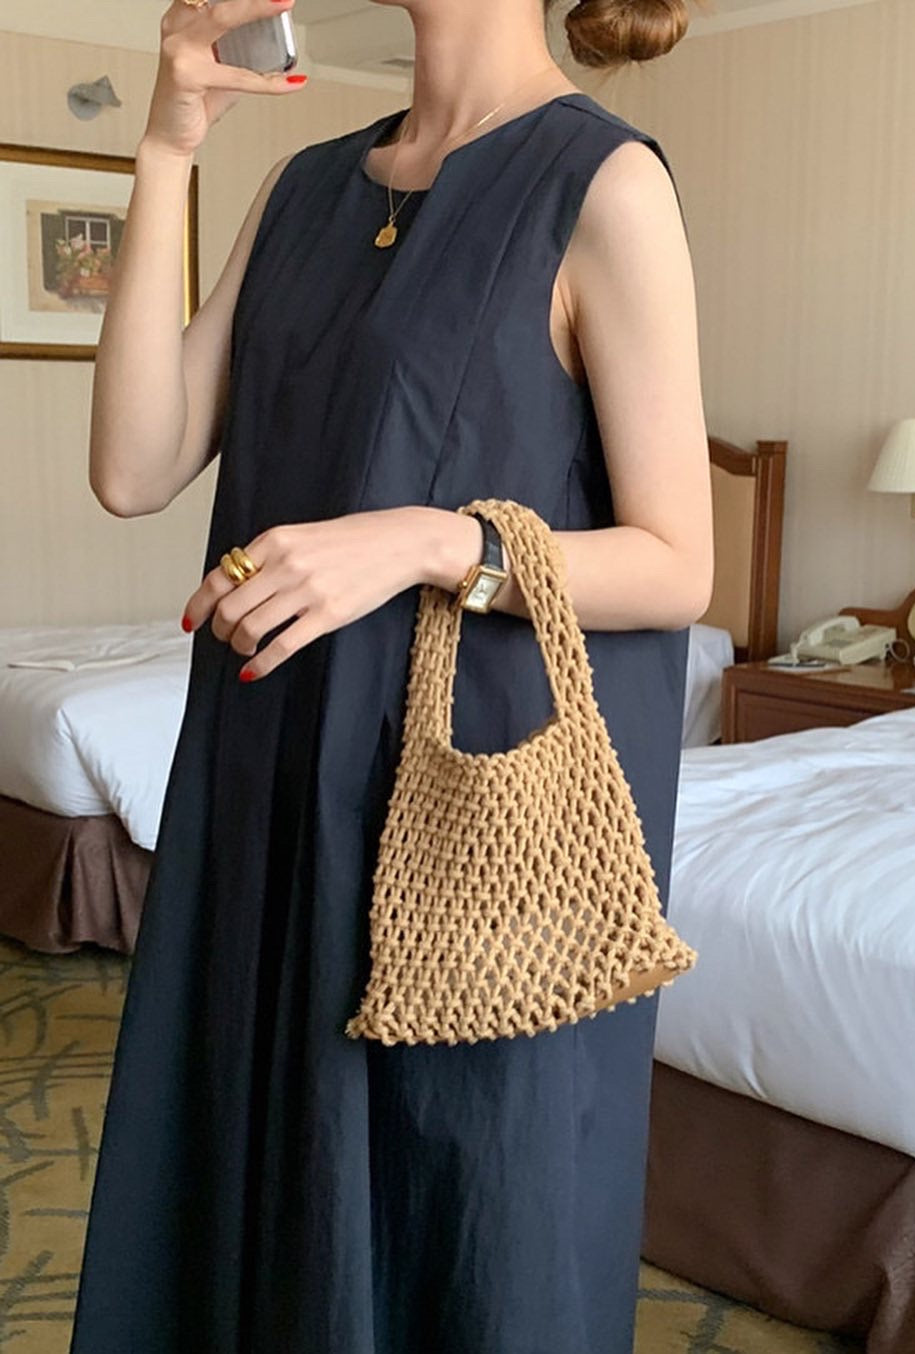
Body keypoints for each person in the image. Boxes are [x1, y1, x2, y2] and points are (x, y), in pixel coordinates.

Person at [69, 0, 713, 1349]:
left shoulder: (604, 182)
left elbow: (677, 564)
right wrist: (168, 149)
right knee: (257, 1196)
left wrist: (430, 539)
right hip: (269, 779)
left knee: (463, 1225)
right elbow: (132, 466)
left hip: (461, 813)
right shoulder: (304, 186)